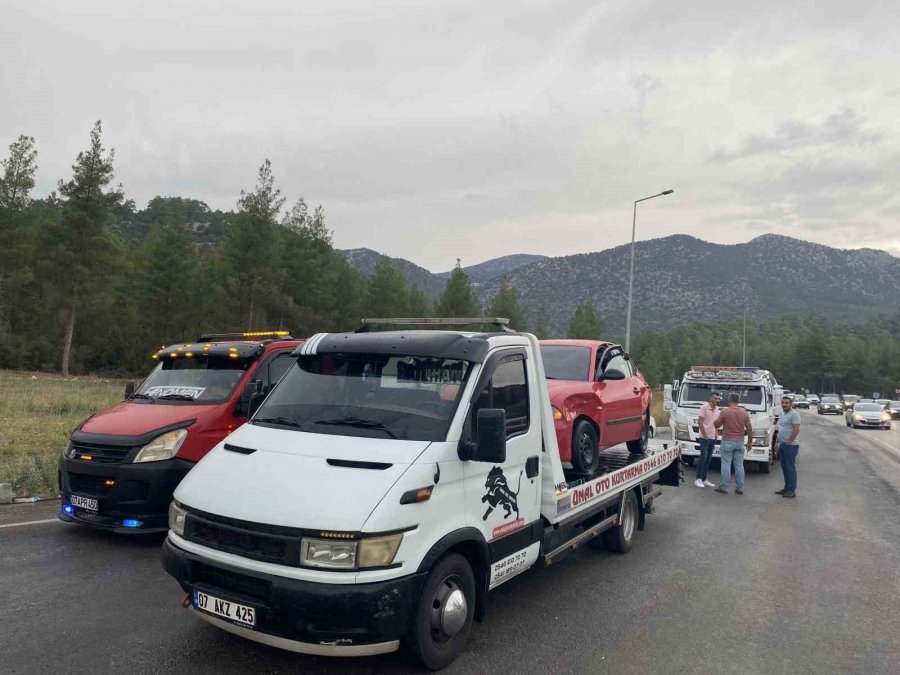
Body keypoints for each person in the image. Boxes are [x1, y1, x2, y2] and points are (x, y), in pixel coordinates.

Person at [714, 392, 753, 495]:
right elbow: (749, 429)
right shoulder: (744, 413)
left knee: (726, 464)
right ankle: (740, 488)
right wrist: (749, 442)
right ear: (738, 400)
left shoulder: (725, 411)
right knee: (739, 465)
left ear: (729, 400)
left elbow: (717, 424)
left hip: (727, 440)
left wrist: (714, 421)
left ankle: (724, 487)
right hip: (739, 441)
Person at [775, 396, 801, 498]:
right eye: (783, 403)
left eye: (786, 403)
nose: (784, 404)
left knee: (790, 468)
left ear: (791, 404)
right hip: (782, 444)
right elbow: (780, 428)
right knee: (784, 467)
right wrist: (777, 442)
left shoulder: (794, 414)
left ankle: (791, 490)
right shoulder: (782, 414)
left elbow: (796, 429)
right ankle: (786, 487)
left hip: (791, 445)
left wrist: (789, 441)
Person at [695, 392, 721, 488]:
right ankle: (698, 479)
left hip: (712, 437)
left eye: (718, 399)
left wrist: (716, 432)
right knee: (703, 458)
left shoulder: (717, 409)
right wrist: (705, 435)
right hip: (704, 437)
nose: (717, 400)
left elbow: (716, 423)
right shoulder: (704, 407)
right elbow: (700, 421)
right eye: (715, 398)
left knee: (709, 459)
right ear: (710, 399)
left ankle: (704, 479)